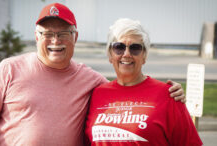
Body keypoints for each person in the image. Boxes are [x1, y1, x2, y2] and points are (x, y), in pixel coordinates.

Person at [0, 3, 185, 146]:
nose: (55, 40)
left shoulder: (92, 81)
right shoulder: (9, 69)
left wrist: (169, 92)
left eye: (63, 33)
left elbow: (126, 85)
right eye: (48, 34)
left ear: (75, 37)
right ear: (36, 36)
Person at [84, 18, 203, 146]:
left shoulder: (169, 95)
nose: (127, 54)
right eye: (119, 47)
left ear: (144, 56)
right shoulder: (96, 94)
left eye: (135, 48)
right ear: (110, 55)